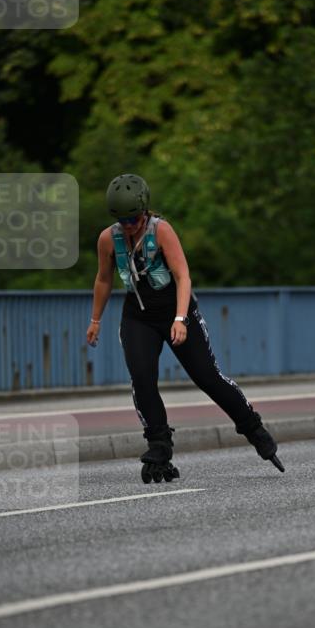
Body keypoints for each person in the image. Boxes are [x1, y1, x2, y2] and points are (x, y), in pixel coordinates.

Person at [86, 173, 283, 481]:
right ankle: (159, 447)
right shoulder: (107, 239)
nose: (129, 226)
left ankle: (253, 428)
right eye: (122, 220)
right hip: (138, 317)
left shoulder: (161, 231)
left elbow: (182, 276)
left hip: (176, 311)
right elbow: (103, 279)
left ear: (145, 211)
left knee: (207, 377)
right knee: (142, 378)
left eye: (134, 218)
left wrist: (180, 319)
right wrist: (95, 320)